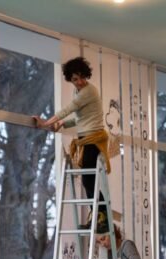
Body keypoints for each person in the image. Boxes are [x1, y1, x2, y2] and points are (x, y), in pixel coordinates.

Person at [33, 56, 110, 232]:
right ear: (70, 79)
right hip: (86, 137)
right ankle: (99, 217)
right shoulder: (79, 92)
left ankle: (102, 218)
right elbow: (80, 118)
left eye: (82, 77)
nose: (80, 82)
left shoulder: (88, 91)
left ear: (86, 76)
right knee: (87, 181)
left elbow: (68, 110)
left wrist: (45, 123)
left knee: (89, 180)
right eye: (75, 79)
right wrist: (63, 124)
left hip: (94, 138)